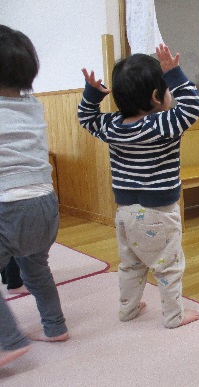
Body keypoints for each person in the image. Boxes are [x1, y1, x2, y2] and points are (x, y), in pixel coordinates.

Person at [78, 43, 199, 328]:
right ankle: (174, 316)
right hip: (160, 212)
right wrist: (175, 74)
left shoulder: (112, 126)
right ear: (157, 97)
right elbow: (193, 106)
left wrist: (92, 94)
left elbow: (86, 117)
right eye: (167, 90)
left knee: (131, 265)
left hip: (124, 213)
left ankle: (128, 309)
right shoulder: (163, 124)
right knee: (168, 266)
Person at [0, 24, 69, 367]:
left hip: (8, 207)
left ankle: (6, 342)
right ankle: (55, 326)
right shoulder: (33, 106)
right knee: (37, 270)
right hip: (45, 206)